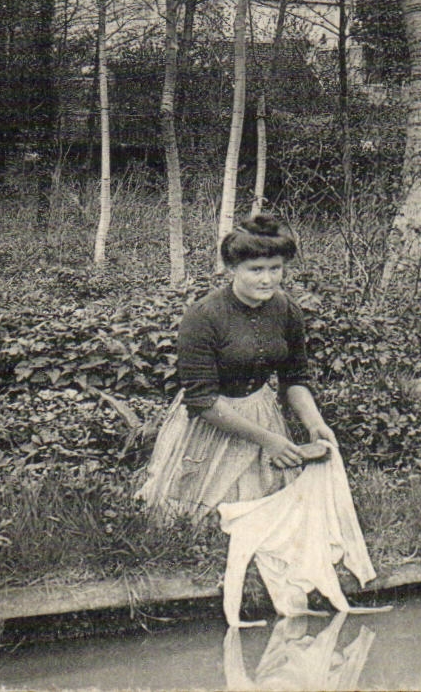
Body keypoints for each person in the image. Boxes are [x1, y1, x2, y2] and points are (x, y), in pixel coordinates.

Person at [137, 214, 334, 515]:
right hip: (211, 421)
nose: (267, 279)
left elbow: (295, 378)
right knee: (196, 518)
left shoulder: (286, 309)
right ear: (232, 268)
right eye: (256, 270)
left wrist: (315, 423)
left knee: (269, 513)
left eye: (275, 269)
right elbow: (202, 399)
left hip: (260, 412)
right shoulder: (203, 316)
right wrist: (268, 441)